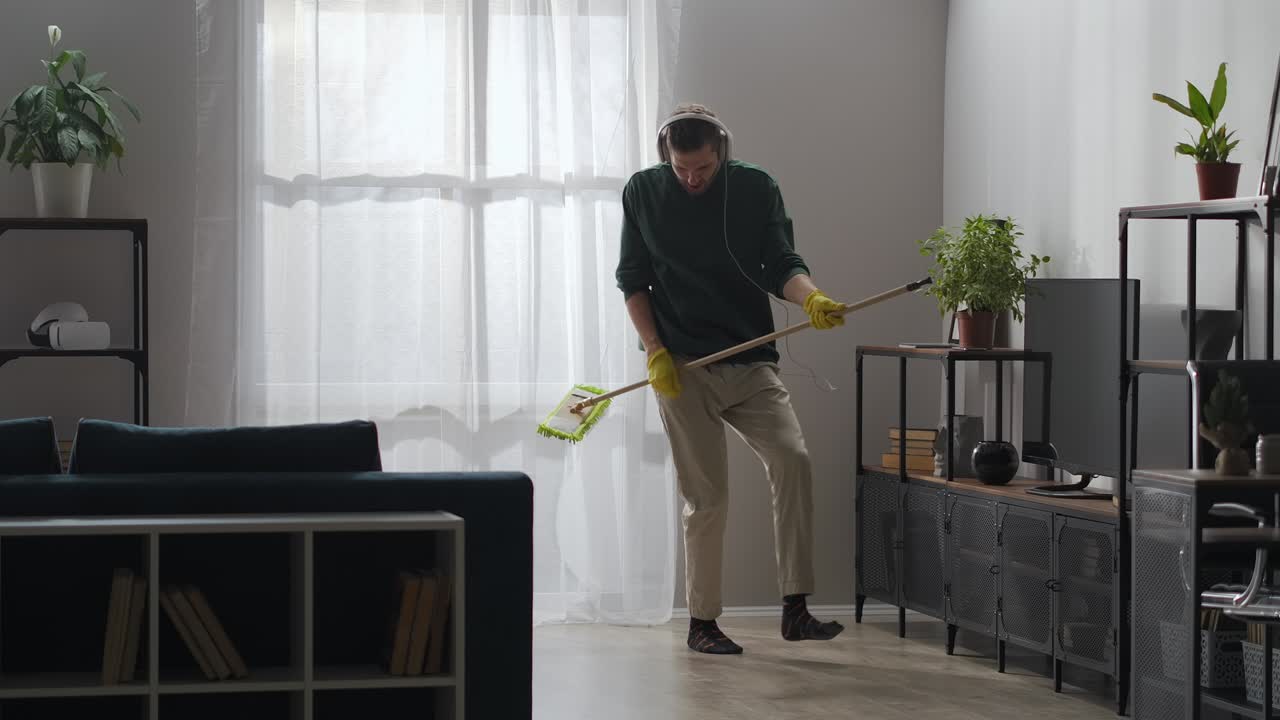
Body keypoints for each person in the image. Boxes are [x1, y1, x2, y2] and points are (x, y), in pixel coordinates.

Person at [615, 103, 847, 655]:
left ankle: (795, 608)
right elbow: (633, 279)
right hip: (682, 369)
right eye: (682, 169)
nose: (693, 179)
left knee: (793, 459)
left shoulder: (755, 188)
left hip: (750, 360)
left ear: (722, 152)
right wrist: (654, 352)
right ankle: (703, 624)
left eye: (704, 168)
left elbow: (780, 263)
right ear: (665, 156)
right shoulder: (643, 191)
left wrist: (811, 297)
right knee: (709, 498)